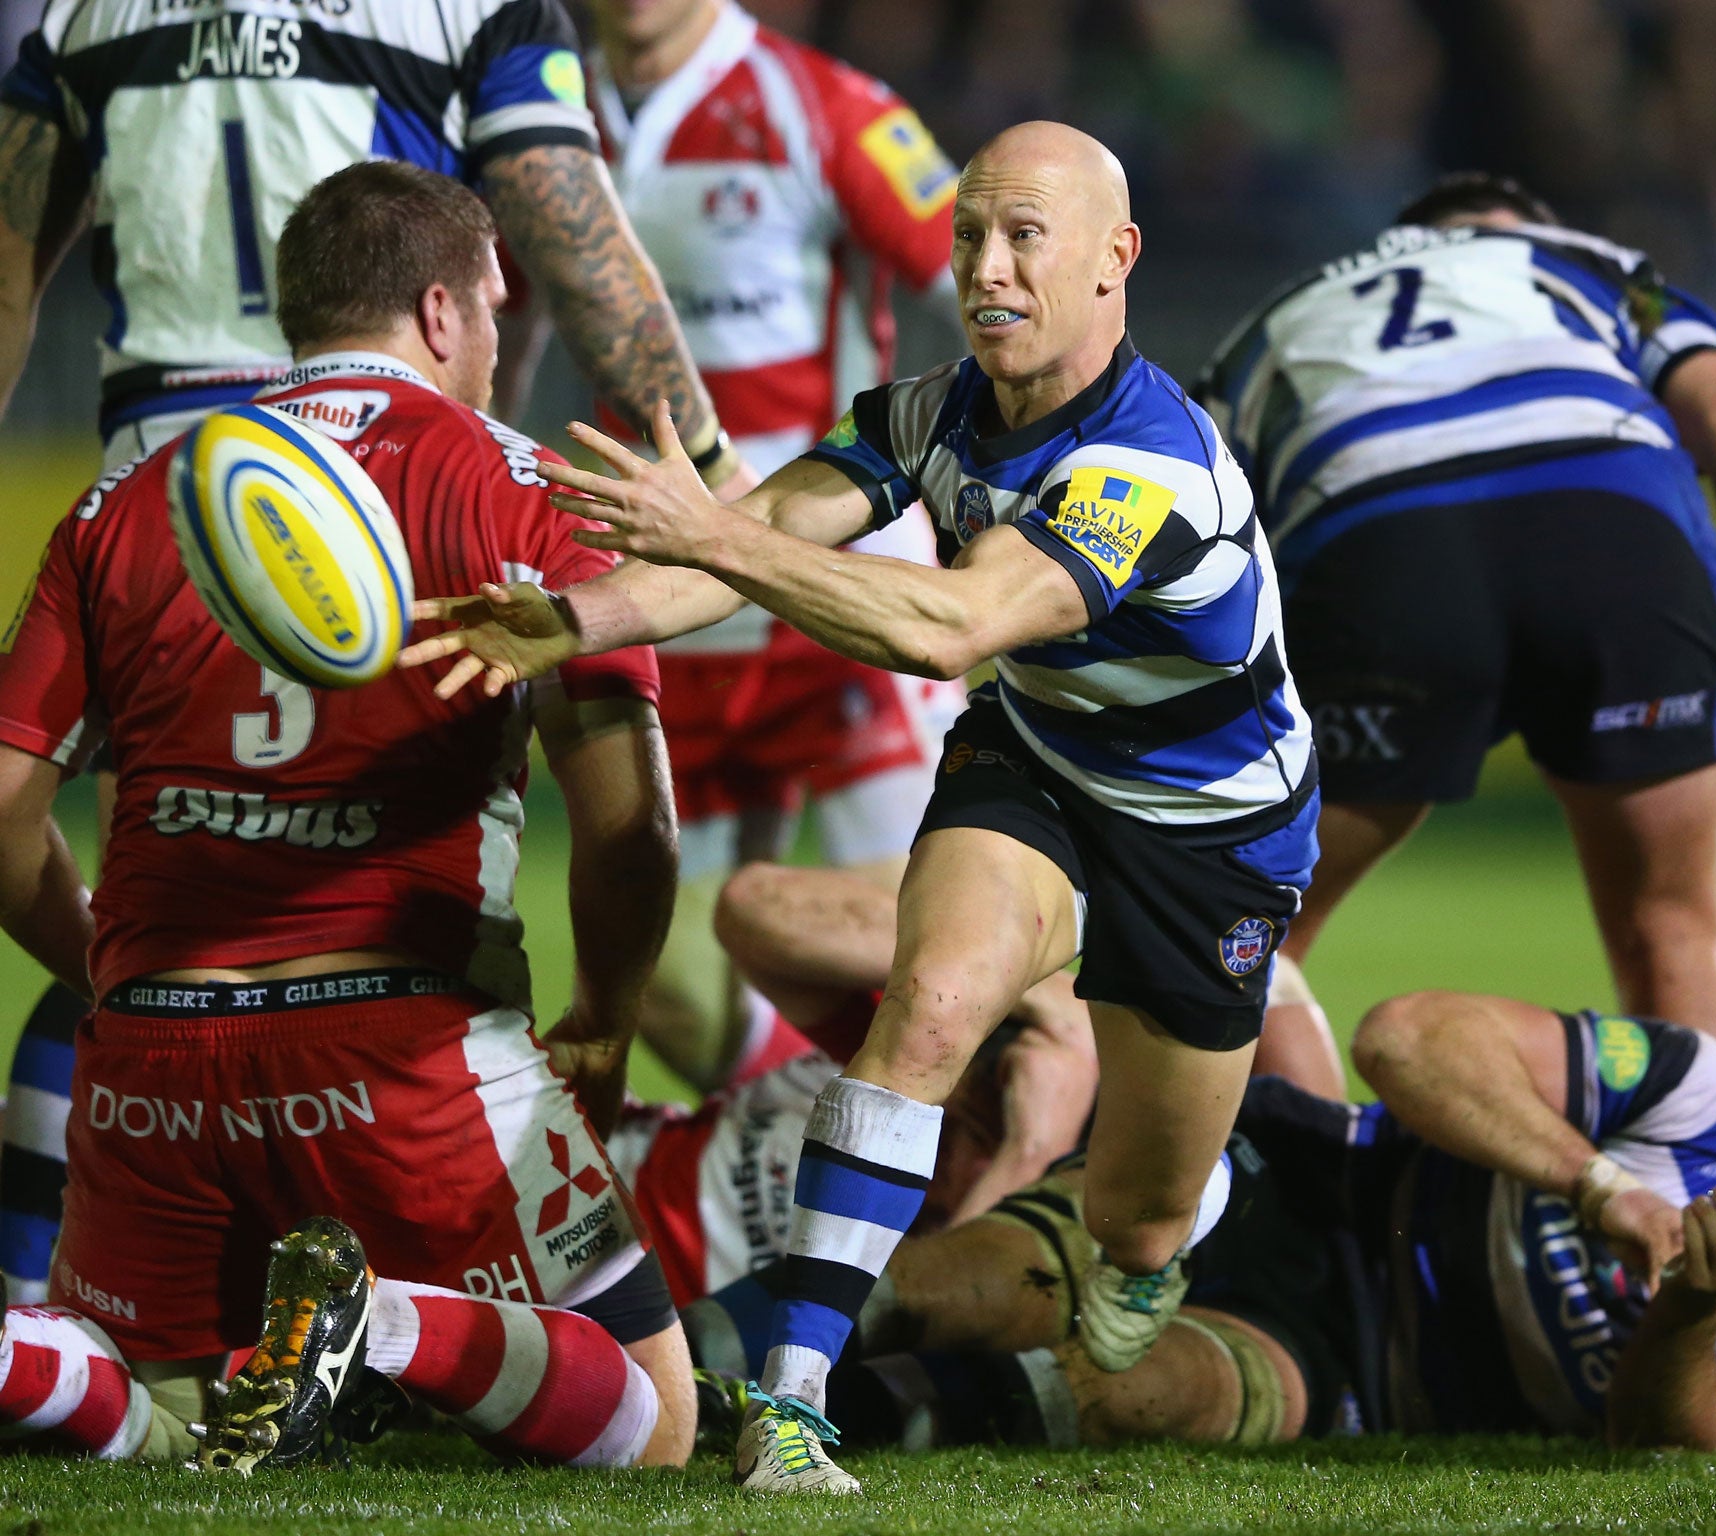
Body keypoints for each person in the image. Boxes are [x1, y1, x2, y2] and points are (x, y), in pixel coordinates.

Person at [399, 119, 1320, 1494]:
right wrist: (566, 620)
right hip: (1043, 761)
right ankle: (792, 1410)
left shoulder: (1151, 468)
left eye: (1026, 238)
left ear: (1115, 262)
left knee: (1136, 1224)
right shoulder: (925, 413)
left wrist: (720, 531)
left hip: (1214, 839)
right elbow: (738, 558)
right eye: (969, 237)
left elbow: (952, 626)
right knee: (932, 1004)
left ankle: (1155, 1233)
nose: (986, 268)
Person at [0, 0, 750, 1306]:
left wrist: (100, 963)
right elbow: (560, 218)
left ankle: (53, 1298)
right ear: (461, 306)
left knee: (170, 929)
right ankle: (387, 1294)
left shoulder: (81, 5)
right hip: (404, 483)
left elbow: (9, 258)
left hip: (171, 483)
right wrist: (712, 474)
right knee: (382, 913)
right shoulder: (464, 1)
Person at [1198, 171, 1716, 1072]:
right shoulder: (1590, 263)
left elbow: (1199, 525)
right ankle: (1688, 1205)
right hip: (1615, 524)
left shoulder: (1284, 312)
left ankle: (1329, 1201)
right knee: (1670, 933)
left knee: (1241, 941)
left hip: (1377, 535)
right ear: (1519, 228)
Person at [726, 993, 1716, 1458]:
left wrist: (1690, 1310)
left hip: (1354, 1373)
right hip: (1302, 1180)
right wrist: (1595, 1182)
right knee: (984, 1284)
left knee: (1147, 1396)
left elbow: (1668, 1444)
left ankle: (806, 1422)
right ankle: (691, 1369)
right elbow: (1408, 1039)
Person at [507, 0, 971, 1091]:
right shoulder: (532, 117)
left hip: (840, 586)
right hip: (676, 597)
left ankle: (991, 1181)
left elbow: (994, 286)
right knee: (669, 980)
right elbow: (499, 316)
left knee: (937, 939)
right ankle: (793, 1156)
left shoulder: (826, 110)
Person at [607, 860, 1097, 1307]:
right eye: (974, 1108)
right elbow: (754, 904)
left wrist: (1030, 1151)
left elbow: (941, 1313)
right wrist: (1023, 991)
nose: (950, 1137)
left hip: (628, 1330)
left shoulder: (1046, 1268)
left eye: (991, 1141)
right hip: (592, 1165)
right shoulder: (918, 1065)